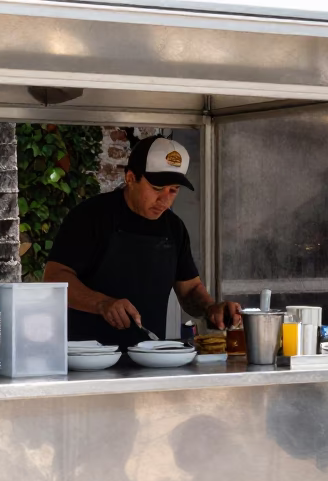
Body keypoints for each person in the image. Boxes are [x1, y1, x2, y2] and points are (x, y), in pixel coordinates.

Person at [43, 135, 241, 346]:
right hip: (87, 358)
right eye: (157, 189)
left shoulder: (174, 228)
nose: (165, 200)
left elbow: (190, 290)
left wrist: (211, 308)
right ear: (130, 178)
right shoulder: (90, 217)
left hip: (150, 357)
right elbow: (55, 279)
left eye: (173, 190)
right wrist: (102, 303)